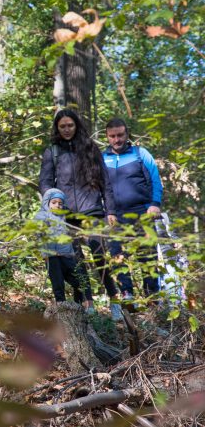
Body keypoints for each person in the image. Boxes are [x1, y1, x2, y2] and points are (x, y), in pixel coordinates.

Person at [38, 108, 123, 321]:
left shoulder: (90, 148)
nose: (67, 130)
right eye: (62, 126)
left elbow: (105, 182)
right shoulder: (53, 152)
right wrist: (50, 204)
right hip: (65, 215)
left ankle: (114, 300)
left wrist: (110, 210)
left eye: (70, 125)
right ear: (57, 128)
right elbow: (45, 182)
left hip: (93, 210)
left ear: (77, 125)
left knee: (99, 254)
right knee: (76, 259)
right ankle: (88, 303)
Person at [102, 117, 163, 300]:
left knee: (147, 257)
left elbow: (155, 180)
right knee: (117, 256)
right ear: (107, 137)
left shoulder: (140, 153)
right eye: (112, 136)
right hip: (115, 216)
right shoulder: (102, 158)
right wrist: (108, 211)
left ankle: (153, 298)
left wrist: (155, 204)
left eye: (120, 135)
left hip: (142, 212)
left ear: (127, 134)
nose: (117, 139)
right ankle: (127, 296)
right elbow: (100, 187)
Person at [35, 188, 94, 311]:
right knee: (58, 285)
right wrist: (45, 253)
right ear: (47, 202)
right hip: (52, 256)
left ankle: (78, 308)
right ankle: (61, 310)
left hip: (67, 255)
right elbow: (38, 236)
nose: (58, 205)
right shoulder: (41, 216)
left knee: (78, 283)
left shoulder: (64, 216)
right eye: (54, 202)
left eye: (60, 203)